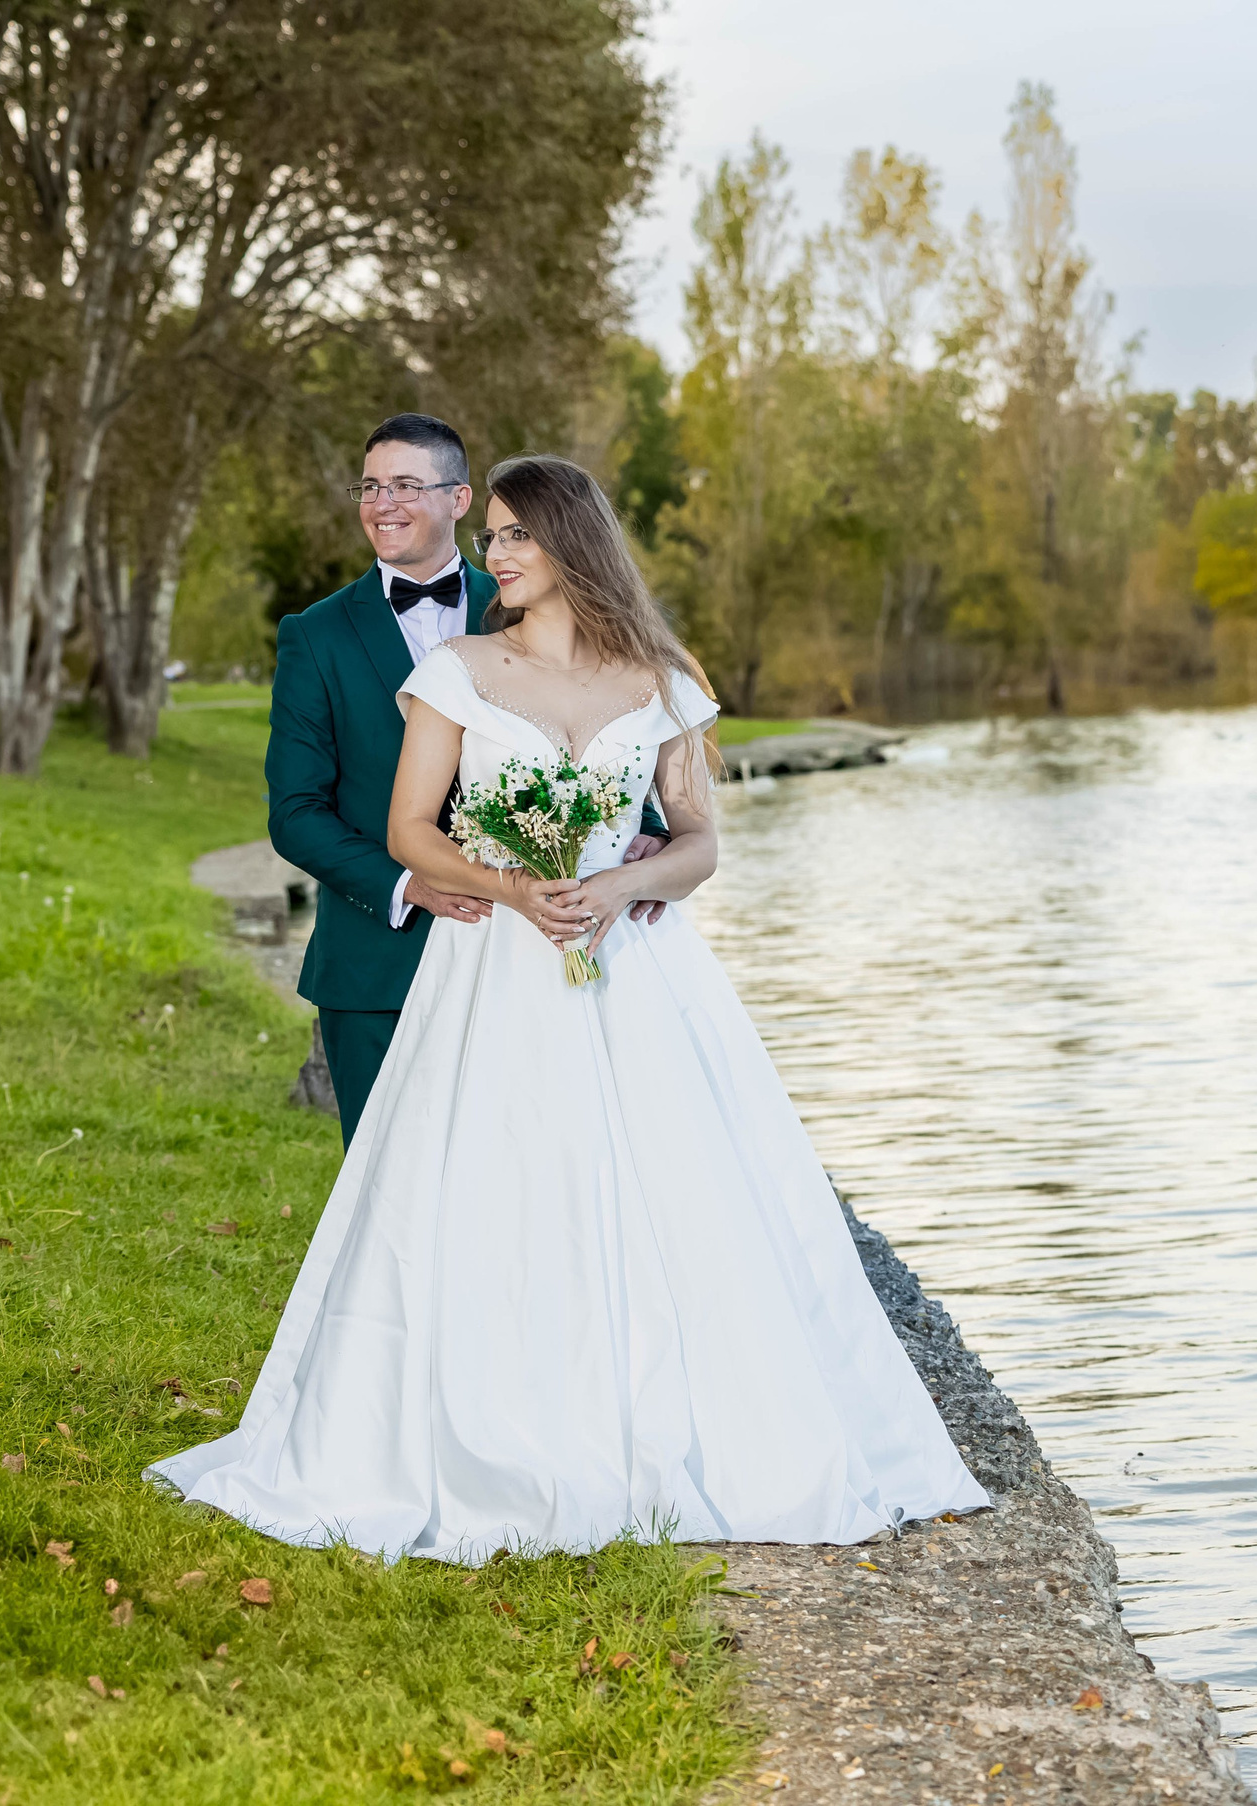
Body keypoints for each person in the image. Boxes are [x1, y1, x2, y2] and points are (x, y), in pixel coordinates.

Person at [148, 454, 988, 1561]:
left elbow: (697, 844)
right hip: (496, 968)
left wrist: (620, 884)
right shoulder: (458, 671)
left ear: (568, 544)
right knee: (501, 1183)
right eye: (488, 537)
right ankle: (498, 1431)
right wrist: (509, 886)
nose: (491, 556)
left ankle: (690, 1429)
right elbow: (410, 828)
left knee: (673, 1193)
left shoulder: (660, 679)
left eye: (510, 538)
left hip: (638, 977)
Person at [261, 413, 667, 1147]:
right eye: (371, 486)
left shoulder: (525, 594)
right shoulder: (314, 635)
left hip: (524, 958)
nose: (382, 503)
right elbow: (294, 811)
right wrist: (407, 883)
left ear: (459, 499)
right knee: (390, 1183)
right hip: (379, 965)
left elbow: (608, 730)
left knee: (520, 1176)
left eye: (407, 485)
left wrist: (645, 836)